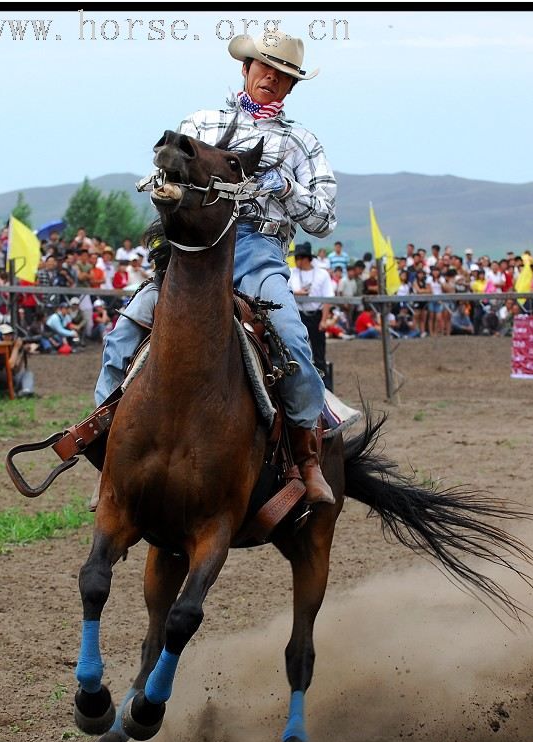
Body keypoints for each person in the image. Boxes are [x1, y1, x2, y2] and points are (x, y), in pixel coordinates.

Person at [94, 29, 337, 505]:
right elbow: (170, 175)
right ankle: (103, 431)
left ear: (293, 86)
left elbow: (325, 220)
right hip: (193, 248)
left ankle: (306, 456)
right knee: (128, 326)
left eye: (284, 75)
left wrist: (288, 188)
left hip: (257, 251)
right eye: (265, 68)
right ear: (245, 68)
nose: (272, 78)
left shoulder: (302, 143)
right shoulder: (199, 123)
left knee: (291, 336)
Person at [288, 241, 334, 387]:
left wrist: (324, 320)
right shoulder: (291, 273)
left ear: (306, 258)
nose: (296, 261)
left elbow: (327, 298)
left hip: (316, 315)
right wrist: (297, 293)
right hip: (298, 314)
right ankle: (303, 384)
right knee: (298, 350)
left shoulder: (322, 274)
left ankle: (325, 387)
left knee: (319, 353)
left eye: (299, 258)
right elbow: (284, 291)